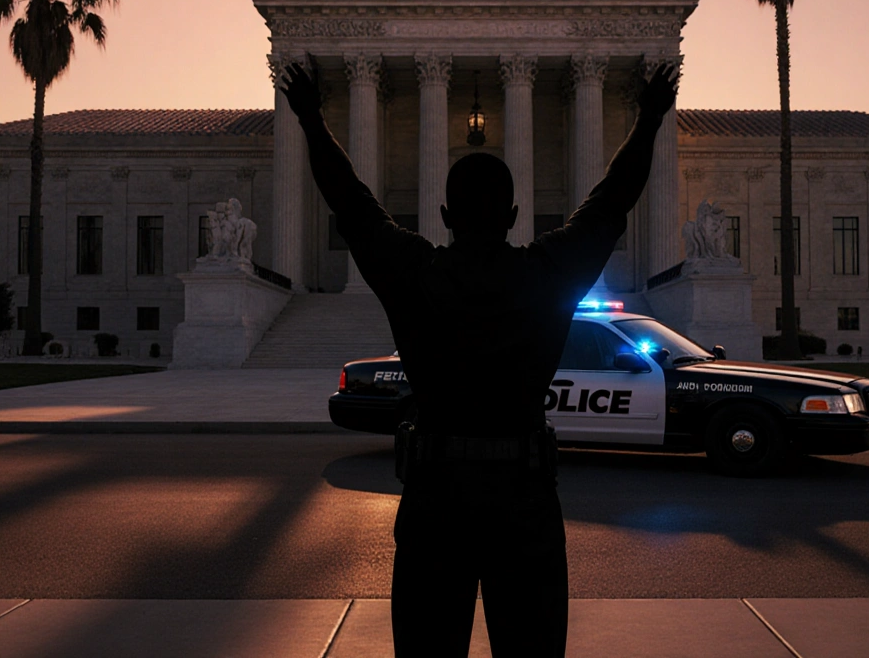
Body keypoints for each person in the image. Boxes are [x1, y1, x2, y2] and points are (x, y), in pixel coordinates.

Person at [278, 60, 677, 657]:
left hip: (436, 495)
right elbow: (610, 203)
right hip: (524, 495)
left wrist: (310, 117)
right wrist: (648, 120)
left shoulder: (417, 275)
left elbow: (352, 203)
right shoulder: (546, 275)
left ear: (444, 217)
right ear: (514, 218)